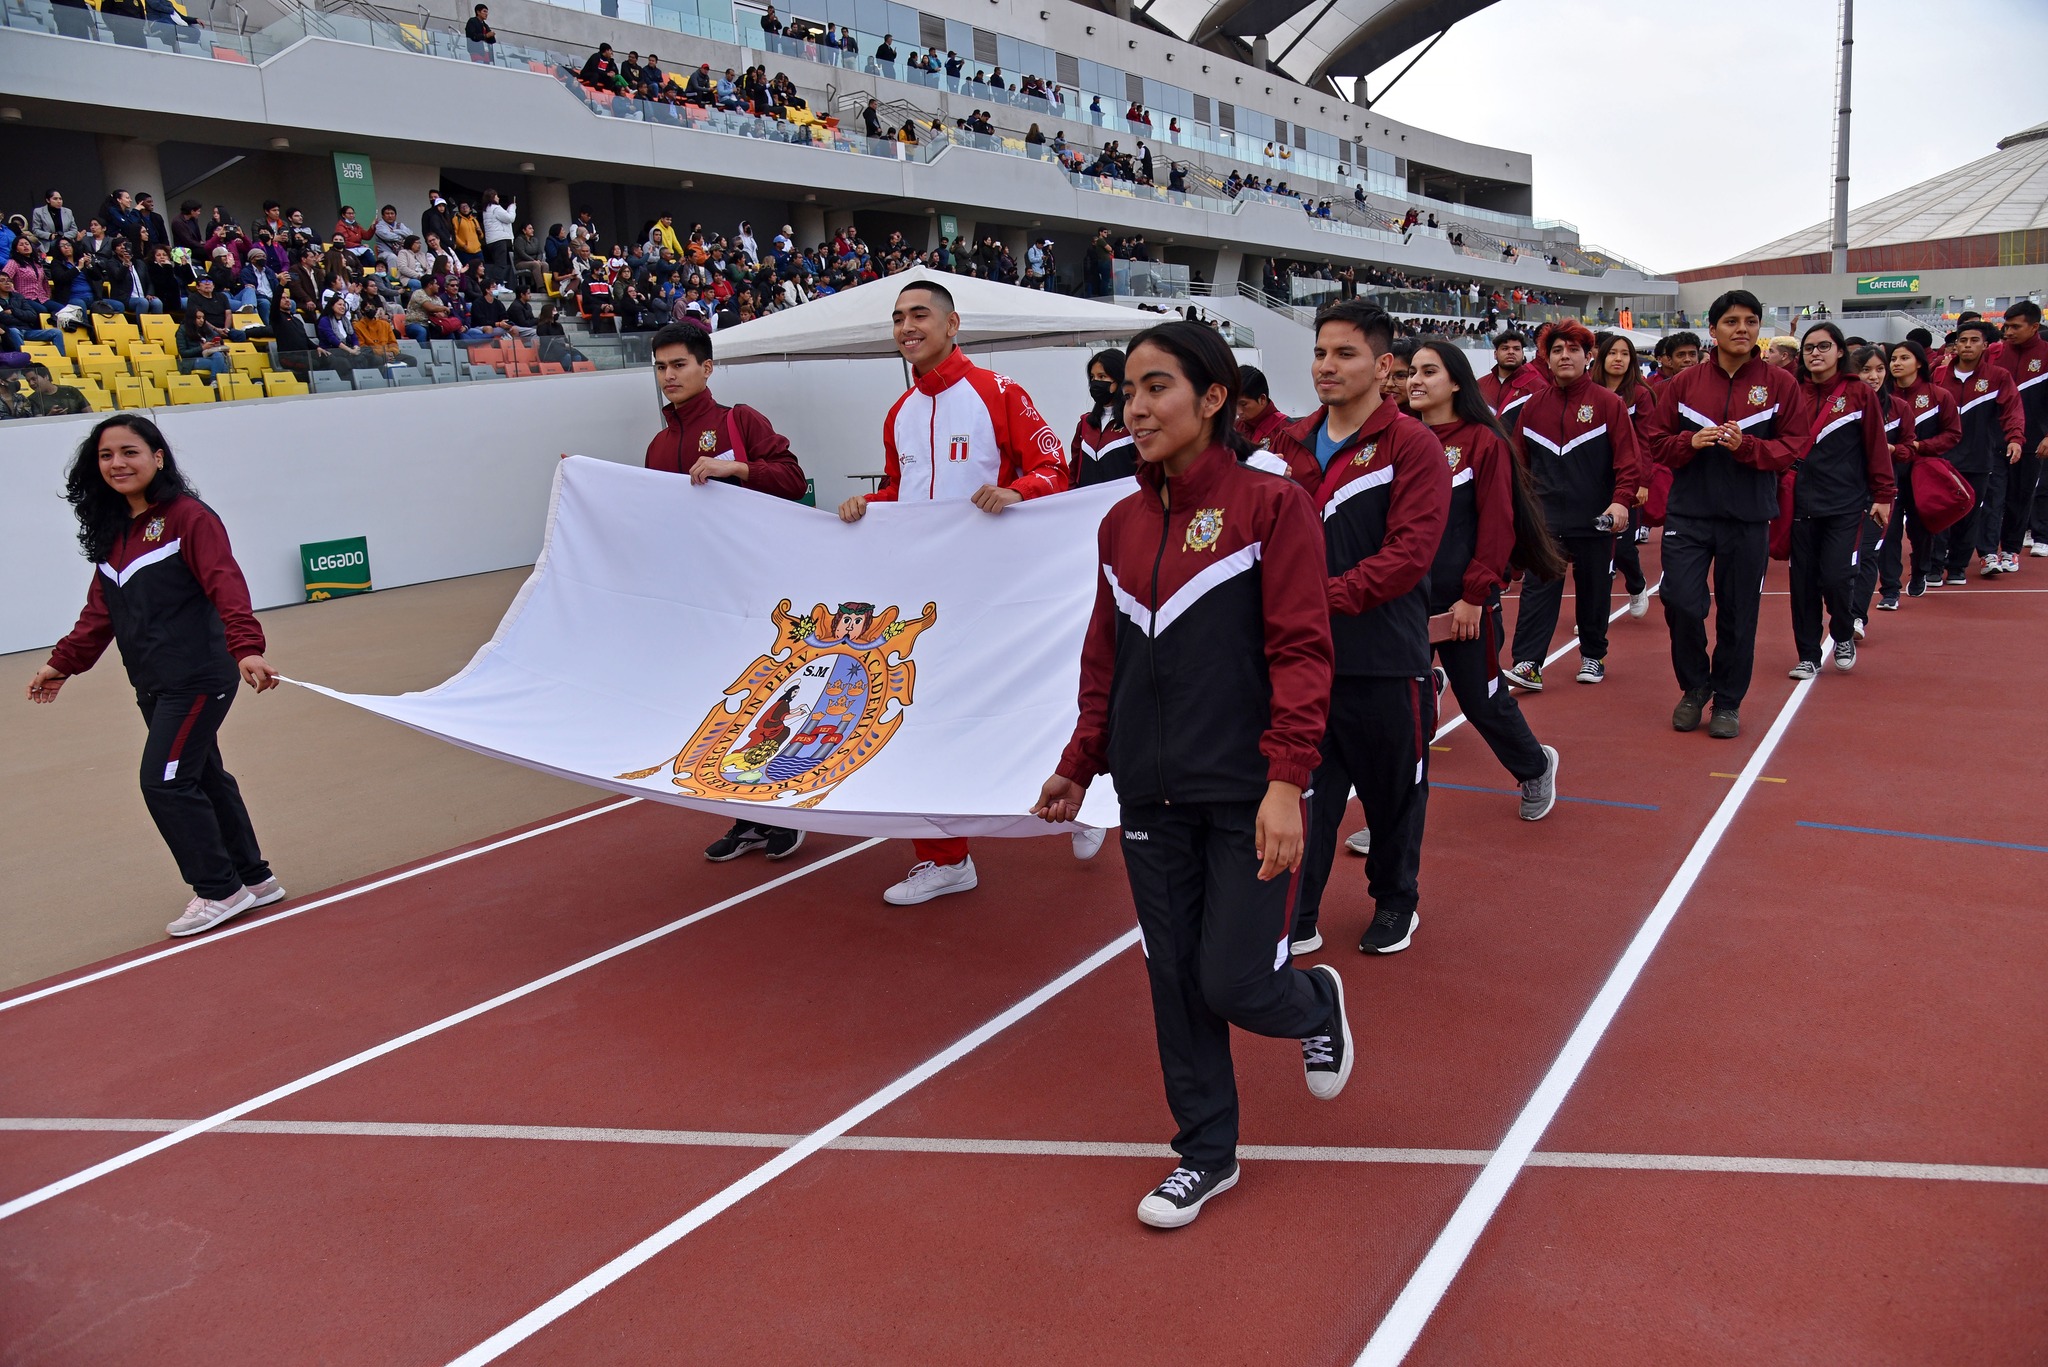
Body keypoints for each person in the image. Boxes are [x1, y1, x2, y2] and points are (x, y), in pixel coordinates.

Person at [1032, 320, 1352, 1231]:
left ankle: (1311, 998)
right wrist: (1078, 762)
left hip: (1252, 790)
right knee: (1173, 978)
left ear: (1213, 399)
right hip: (1149, 792)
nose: (1135, 406)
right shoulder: (1119, 521)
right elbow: (1106, 659)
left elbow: (1301, 649)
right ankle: (1205, 1154)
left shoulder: (1270, 506)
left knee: (1236, 981)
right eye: (1128, 390)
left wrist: (1288, 780)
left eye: (1158, 387)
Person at [837, 280, 1071, 901]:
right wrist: (870, 502)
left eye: (919, 315)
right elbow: (903, 491)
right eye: (897, 319)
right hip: (921, 600)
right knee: (920, 717)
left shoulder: (999, 392)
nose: (907, 327)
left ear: (951, 323)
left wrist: (1021, 491)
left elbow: (1055, 469)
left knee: (1028, 701)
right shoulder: (900, 413)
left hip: (998, 593)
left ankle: (1081, 793)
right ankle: (946, 859)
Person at [29, 415, 286, 938]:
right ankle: (254, 880)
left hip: (198, 676)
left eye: (130, 452)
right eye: (106, 456)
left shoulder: (188, 517)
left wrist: (248, 649)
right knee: (203, 775)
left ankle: (219, 891)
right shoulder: (114, 532)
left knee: (164, 782)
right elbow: (100, 613)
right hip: (153, 682)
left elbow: (225, 583)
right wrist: (62, 663)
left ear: (157, 457)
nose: (118, 464)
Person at [1266, 300, 1451, 956]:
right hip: (1300, 662)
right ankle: (1301, 908)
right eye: (1320, 353)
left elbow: (1408, 556)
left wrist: (1316, 598)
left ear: (1383, 365)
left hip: (1384, 658)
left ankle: (1396, 900)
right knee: (1304, 797)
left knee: (1393, 795)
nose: (1327, 366)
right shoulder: (1284, 443)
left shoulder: (1415, 446)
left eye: (1344, 354)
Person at [637, 322, 814, 862]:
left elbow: (793, 477)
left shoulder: (739, 420)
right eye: (661, 368)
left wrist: (737, 467)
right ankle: (747, 816)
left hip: (762, 594)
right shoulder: (658, 445)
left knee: (769, 707)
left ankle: (781, 809)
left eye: (679, 365)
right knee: (720, 710)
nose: (669, 376)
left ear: (706, 367)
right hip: (700, 603)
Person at [1643, 289, 1812, 739]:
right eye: (1732, 321)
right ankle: (1695, 686)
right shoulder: (1684, 384)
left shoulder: (1780, 384)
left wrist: (1748, 446)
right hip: (1690, 513)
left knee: (1739, 611)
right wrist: (1689, 443)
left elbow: (1794, 445)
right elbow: (1656, 440)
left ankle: (1728, 701)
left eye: (1751, 321)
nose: (1743, 329)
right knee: (1680, 600)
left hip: (1748, 515)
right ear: (1713, 329)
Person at [1407, 340, 1563, 813]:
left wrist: (1475, 594)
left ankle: (1535, 766)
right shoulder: (1397, 439)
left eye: (1428, 371)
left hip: (1462, 602)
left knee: (1482, 701)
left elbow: (1497, 523)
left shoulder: (1483, 441)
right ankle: (1392, 816)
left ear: (1456, 382)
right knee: (1399, 711)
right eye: (1411, 371)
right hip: (1401, 602)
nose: (1414, 380)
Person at [1505, 322, 1638, 690]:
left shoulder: (1609, 404)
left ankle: (1593, 656)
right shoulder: (1532, 408)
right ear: (1546, 359)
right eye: (1558, 350)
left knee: (1594, 589)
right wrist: (1520, 511)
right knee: (1537, 589)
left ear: (1587, 357)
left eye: (1573, 350)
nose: (1565, 356)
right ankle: (1528, 663)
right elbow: (1521, 464)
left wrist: (1620, 501)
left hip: (1596, 519)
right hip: (1546, 520)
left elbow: (1628, 462)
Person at [1785, 323, 1892, 678]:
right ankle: (1808, 654)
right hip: (1799, 506)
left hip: (1846, 505)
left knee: (1836, 576)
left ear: (1840, 351)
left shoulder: (1860, 393)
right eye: (1809, 347)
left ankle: (1842, 632)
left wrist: (1883, 495)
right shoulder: (1791, 391)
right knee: (1802, 584)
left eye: (1823, 346)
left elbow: (1876, 446)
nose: (1815, 353)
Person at [1930, 320, 2024, 583]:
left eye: (1974, 341)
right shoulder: (1938, 375)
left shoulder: (1998, 377)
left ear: (1985, 345)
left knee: (1970, 515)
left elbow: (2012, 411)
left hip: (1980, 458)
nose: (1967, 345)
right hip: (1942, 458)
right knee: (1939, 512)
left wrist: (2015, 439)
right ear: (1955, 345)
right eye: (1963, 340)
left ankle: (1958, 567)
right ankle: (1935, 567)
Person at [1883, 341, 1960, 598]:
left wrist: (1920, 446)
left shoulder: (1939, 396)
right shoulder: (1881, 399)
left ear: (1919, 363)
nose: (1896, 363)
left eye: (1904, 358)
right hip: (1888, 475)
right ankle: (1890, 587)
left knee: (1920, 528)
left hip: (1922, 474)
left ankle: (1919, 572)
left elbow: (1952, 434)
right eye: (1893, 358)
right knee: (1889, 530)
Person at [1594, 332, 1655, 619]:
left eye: (1625, 354)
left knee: (1622, 545)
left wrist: (1643, 481)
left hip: (1626, 479)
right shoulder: (1589, 391)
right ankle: (1593, 612)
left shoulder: (1640, 395)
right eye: (1612, 353)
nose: (1618, 359)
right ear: (1601, 357)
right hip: (1591, 478)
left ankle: (1636, 583)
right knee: (1594, 549)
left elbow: (1645, 441)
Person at [1989, 301, 2048, 565]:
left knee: (2020, 496)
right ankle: (1988, 551)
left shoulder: (2047, 354)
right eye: (2006, 325)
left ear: (2034, 326)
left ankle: (2010, 550)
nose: (2008, 331)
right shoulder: (1995, 353)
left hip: (2033, 440)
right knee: (1992, 496)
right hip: (1993, 438)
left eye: (2015, 326)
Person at [1070, 347, 1134, 485]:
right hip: (1088, 504)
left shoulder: (1134, 423)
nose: (1095, 382)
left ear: (1119, 379)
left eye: (1102, 376)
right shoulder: (1085, 424)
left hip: (1125, 503)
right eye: (1092, 377)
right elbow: (1074, 472)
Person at [1476, 329, 1541, 421]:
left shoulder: (1537, 387)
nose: (1511, 352)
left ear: (1523, 354)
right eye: (1505, 348)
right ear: (1495, 354)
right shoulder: (1480, 385)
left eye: (1516, 349)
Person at [1233, 365, 1292, 454]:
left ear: (1262, 399)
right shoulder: (1236, 427)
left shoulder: (1288, 429)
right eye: (1234, 404)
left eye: (1243, 404)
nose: (1238, 411)